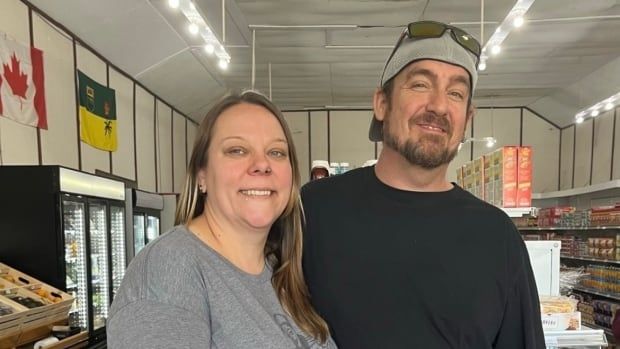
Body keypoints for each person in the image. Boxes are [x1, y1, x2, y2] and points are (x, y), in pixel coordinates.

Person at [301, 21, 545, 348]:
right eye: (419, 85)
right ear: (381, 104)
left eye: (456, 93)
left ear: (467, 119)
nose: (439, 106)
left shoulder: (497, 237)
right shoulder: (314, 210)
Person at [108, 91, 337, 348]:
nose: (262, 164)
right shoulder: (169, 270)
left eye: (276, 152)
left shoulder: (279, 272)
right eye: (237, 150)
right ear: (201, 175)